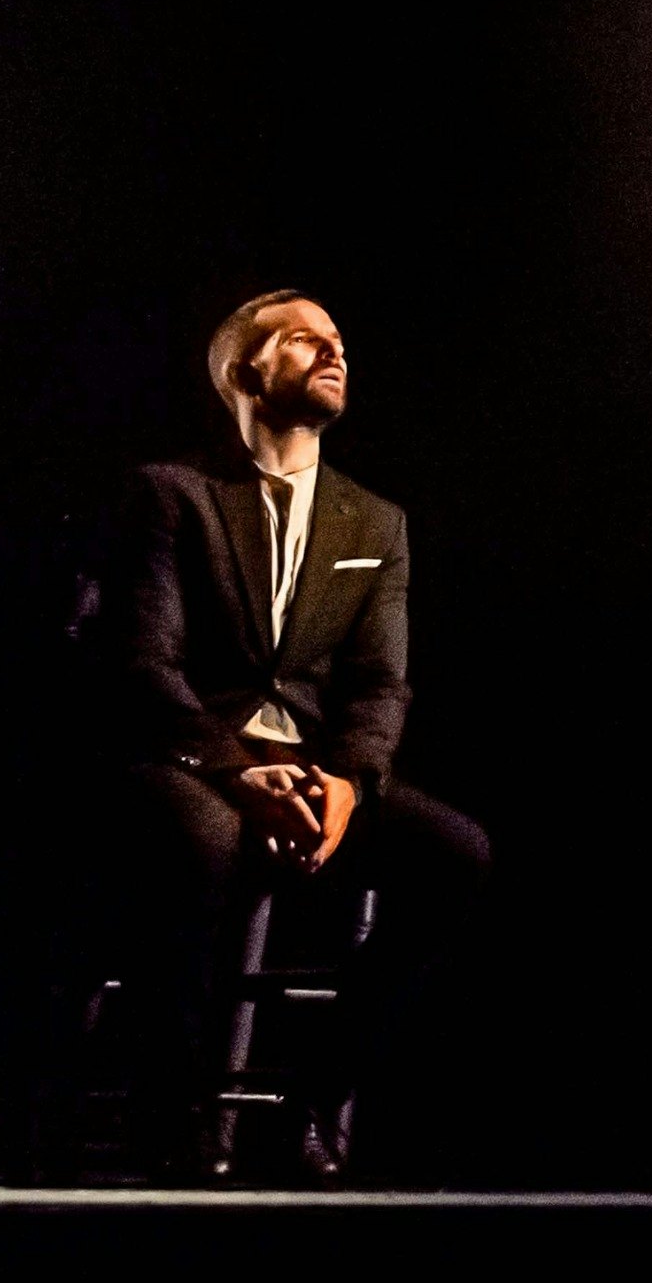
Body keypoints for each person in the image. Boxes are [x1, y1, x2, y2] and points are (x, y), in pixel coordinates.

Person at [104, 291, 488, 1165]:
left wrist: (350, 783)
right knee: (202, 840)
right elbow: (144, 662)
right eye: (304, 339)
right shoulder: (170, 493)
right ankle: (175, 1117)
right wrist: (236, 771)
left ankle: (309, 1101)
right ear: (244, 372)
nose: (334, 351)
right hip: (193, 758)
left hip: (314, 768)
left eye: (340, 341)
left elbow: (381, 684)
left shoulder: (375, 519)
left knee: (456, 855)